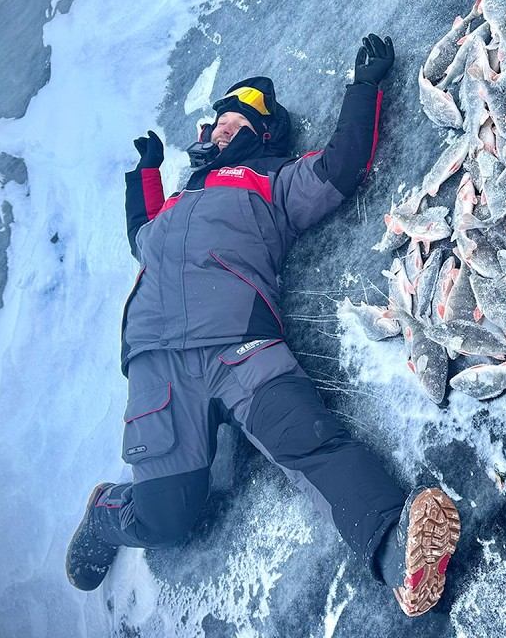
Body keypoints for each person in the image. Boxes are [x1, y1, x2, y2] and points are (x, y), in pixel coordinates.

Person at [64, 34, 461, 617]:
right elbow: (140, 237)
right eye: (218, 123)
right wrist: (145, 173)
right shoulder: (172, 206)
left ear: (262, 135)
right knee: (167, 515)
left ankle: (394, 546)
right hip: (157, 364)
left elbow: (340, 166)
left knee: (309, 439)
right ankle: (106, 515)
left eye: (236, 123)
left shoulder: (269, 182)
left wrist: (365, 87)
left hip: (240, 345)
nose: (220, 130)